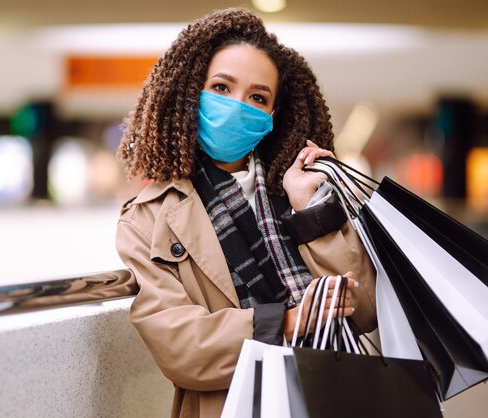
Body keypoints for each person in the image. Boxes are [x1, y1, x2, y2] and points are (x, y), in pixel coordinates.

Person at [115, 8, 377, 418]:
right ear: (190, 93)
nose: (238, 106)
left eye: (257, 97)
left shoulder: (302, 191)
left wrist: (309, 210)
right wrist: (287, 323)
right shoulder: (146, 220)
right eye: (220, 87)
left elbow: (363, 310)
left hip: (330, 398)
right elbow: (181, 348)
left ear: (272, 117)